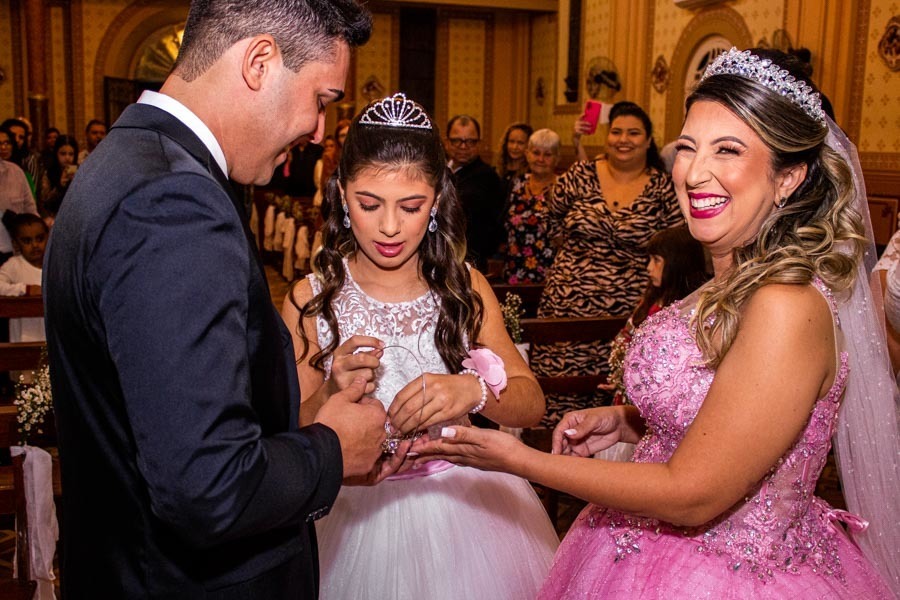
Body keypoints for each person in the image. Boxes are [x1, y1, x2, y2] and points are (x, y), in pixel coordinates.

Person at [415, 48, 900, 598]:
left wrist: (517, 458)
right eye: (688, 147)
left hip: (731, 577)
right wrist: (632, 422)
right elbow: (734, 414)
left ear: (789, 177)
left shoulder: (786, 305)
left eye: (729, 150)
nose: (694, 172)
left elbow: (693, 492)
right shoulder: (728, 280)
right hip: (639, 550)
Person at [42, 1, 388, 597]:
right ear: (260, 61)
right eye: (323, 100)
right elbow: (207, 486)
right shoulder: (173, 203)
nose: (320, 131)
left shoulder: (130, 162)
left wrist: (308, 414)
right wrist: (331, 452)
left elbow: (168, 419)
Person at [281, 92, 559, 599]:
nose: (390, 227)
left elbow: (532, 403)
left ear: (436, 202)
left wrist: (472, 391)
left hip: (464, 506)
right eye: (369, 205)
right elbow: (288, 432)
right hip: (349, 511)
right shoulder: (312, 298)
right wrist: (329, 398)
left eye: (411, 207)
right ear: (343, 196)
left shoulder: (463, 287)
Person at [531, 101, 682, 425]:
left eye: (633, 133)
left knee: (614, 396)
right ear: (606, 135)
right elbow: (551, 220)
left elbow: (676, 245)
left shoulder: (661, 188)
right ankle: (550, 465)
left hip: (627, 317)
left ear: (648, 140)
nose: (623, 139)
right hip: (566, 308)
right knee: (558, 396)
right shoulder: (580, 174)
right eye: (616, 132)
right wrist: (578, 261)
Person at [604, 224, 707, 407]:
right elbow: (626, 336)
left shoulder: (694, 310)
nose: (649, 267)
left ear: (679, 263)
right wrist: (619, 377)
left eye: (657, 260)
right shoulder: (651, 299)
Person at [445, 114, 505, 272]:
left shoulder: (487, 177)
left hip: (470, 261)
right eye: (457, 140)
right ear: (447, 143)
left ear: (479, 143)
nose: (463, 147)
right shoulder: (441, 170)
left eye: (470, 141)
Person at [501, 128, 560, 284]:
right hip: (513, 271)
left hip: (549, 275)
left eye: (547, 155)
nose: (540, 159)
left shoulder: (563, 187)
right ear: (527, 154)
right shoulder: (516, 184)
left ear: (557, 158)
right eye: (536, 152)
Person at [0, 213, 46, 340]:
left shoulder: (55, 265)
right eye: (27, 241)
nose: (35, 245)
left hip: (51, 341)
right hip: (23, 342)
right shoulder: (14, 265)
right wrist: (25, 290)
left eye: (40, 238)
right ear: (15, 244)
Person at [0, 128, 38, 266]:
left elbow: (30, 209)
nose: (3, 147)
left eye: (7, 143)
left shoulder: (16, 172)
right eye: (0, 143)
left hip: (14, 249)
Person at [39, 134, 79, 216]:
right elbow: (45, 203)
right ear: (56, 154)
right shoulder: (49, 173)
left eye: (71, 154)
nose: (67, 158)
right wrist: (59, 186)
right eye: (63, 154)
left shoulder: (81, 171)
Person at [495, 122, 533, 186]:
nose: (515, 147)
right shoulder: (498, 171)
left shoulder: (531, 174)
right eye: (511, 141)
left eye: (520, 143)